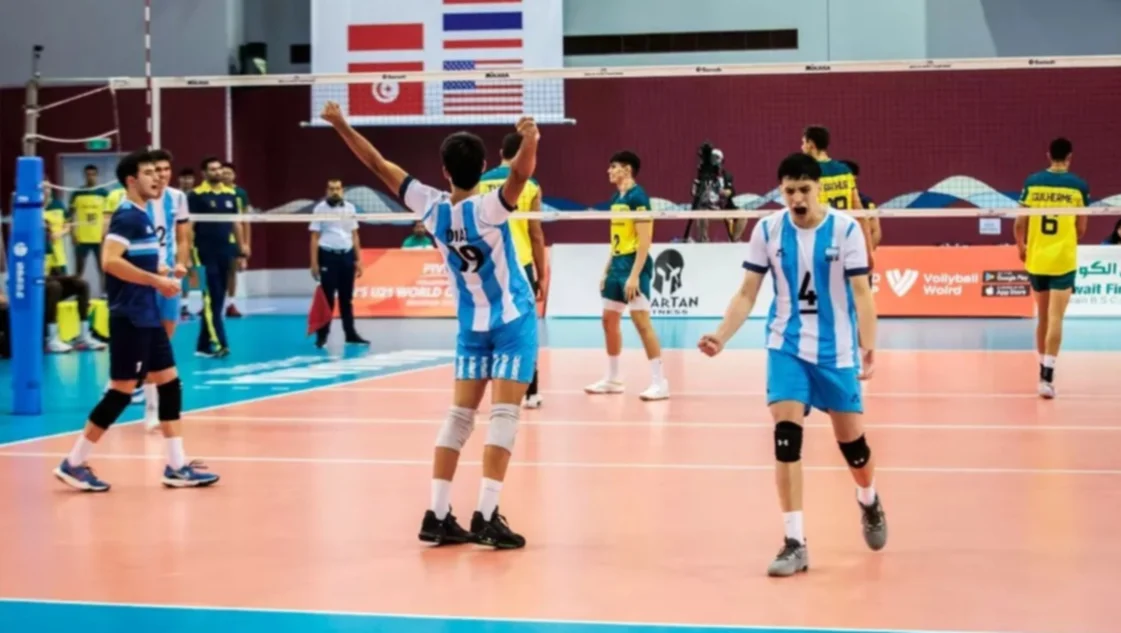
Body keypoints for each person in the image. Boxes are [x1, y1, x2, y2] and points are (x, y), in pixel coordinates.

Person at [322, 100, 539, 549]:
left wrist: (341, 123)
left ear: (443, 171)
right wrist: (531, 138)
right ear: (483, 167)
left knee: (460, 415)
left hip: (470, 326)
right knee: (504, 415)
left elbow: (375, 161)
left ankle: (437, 514)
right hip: (513, 321)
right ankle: (485, 514)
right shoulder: (491, 209)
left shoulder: (430, 207)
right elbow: (520, 176)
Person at [698, 153, 886, 577]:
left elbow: (862, 293)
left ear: (818, 188)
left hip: (836, 352)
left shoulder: (846, 229)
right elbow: (747, 292)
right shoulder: (767, 230)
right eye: (789, 190)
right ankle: (794, 541)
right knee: (786, 437)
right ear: (781, 191)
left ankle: (869, 499)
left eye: (804, 189)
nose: (797, 198)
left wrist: (868, 347)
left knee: (854, 450)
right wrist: (721, 335)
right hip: (786, 346)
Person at [53, 149, 219, 492]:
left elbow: (133, 259)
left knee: (170, 384)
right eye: (149, 174)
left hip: (147, 317)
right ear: (132, 180)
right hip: (131, 317)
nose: (158, 178)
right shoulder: (128, 215)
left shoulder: (143, 215)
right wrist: (158, 282)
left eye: (159, 173)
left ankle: (176, 466)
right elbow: (110, 261)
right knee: (121, 392)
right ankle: (73, 462)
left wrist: (161, 269)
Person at [584, 151, 668, 401]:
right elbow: (616, 238)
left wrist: (634, 276)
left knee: (641, 322)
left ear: (627, 170)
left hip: (634, 263)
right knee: (608, 320)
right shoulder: (615, 198)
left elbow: (645, 242)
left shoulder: (638, 198)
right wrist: (606, 268)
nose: (609, 171)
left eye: (614, 167)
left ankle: (660, 382)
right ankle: (613, 378)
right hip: (617, 263)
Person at [1014, 137, 1089, 399]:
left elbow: (1019, 223)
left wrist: (1021, 246)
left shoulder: (1032, 183)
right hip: (1062, 261)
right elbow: (1081, 229)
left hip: (1037, 259)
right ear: (1070, 157)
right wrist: (1066, 242)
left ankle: (1041, 371)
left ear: (1049, 155)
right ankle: (1047, 375)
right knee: (1056, 318)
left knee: (1043, 317)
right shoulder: (1079, 187)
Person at [479, 132, 549, 409]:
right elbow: (537, 235)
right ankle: (530, 392)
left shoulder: (480, 182)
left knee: (488, 326)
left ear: (501, 153)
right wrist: (542, 275)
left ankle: (493, 389)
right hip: (521, 266)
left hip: (487, 266)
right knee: (525, 329)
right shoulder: (531, 185)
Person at [140, 149, 193, 430]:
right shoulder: (136, 199)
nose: (161, 175)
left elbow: (183, 238)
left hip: (170, 279)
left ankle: (158, 403)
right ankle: (150, 408)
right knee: (149, 342)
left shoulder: (178, 198)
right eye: (156, 170)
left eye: (165, 169)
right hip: (146, 277)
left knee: (164, 342)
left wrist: (182, 263)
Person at [189, 156, 244, 358]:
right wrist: (185, 255)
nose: (217, 172)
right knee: (211, 298)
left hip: (225, 252)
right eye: (212, 169)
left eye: (219, 169)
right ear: (204, 173)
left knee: (218, 301)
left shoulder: (231, 194)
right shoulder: (195, 195)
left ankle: (202, 346)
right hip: (204, 252)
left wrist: (241, 248)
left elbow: (236, 223)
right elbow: (189, 226)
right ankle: (219, 343)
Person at [801, 126, 875, 267]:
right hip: (845, 238)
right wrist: (868, 250)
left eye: (803, 143)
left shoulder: (809, 173)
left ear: (811, 144)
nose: (802, 147)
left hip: (821, 239)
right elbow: (859, 213)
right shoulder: (845, 171)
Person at [43, 184, 103, 353]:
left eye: (47, 188)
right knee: (53, 288)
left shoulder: (58, 207)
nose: (45, 191)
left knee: (80, 283)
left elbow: (68, 224)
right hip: (35, 275)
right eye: (41, 189)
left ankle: (83, 336)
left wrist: (60, 233)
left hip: (56, 258)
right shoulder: (27, 215)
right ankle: (51, 338)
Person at [309, 178, 368, 347]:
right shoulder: (319, 209)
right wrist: (314, 263)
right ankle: (322, 336)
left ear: (342, 190)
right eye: (331, 188)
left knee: (346, 299)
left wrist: (358, 259)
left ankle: (350, 334)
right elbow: (314, 237)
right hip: (327, 255)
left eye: (338, 188)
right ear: (327, 190)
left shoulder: (350, 208)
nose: (335, 191)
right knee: (327, 299)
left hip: (347, 256)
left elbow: (355, 235)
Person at [67, 165, 110, 286]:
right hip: (81, 238)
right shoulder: (77, 194)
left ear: (97, 175)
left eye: (93, 174)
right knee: (78, 269)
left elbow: (109, 215)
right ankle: (75, 294)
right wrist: (72, 234)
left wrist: (106, 233)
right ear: (84, 175)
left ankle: (105, 295)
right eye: (88, 174)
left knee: (103, 268)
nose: (90, 177)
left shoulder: (103, 193)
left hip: (99, 238)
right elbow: (70, 216)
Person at [221, 162, 250, 318]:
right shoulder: (216, 193)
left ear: (234, 175)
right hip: (217, 239)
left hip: (234, 240)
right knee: (215, 272)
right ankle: (212, 303)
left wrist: (246, 243)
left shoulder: (240, 193)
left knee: (232, 272)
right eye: (223, 173)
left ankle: (230, 304)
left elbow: (245, 221)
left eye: (229, 173)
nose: (226, 176)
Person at [839, 159, 882, 249]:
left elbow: (875, 231)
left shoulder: (866, 201)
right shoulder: (824, 200)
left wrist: (866, 253)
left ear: (853, 178)